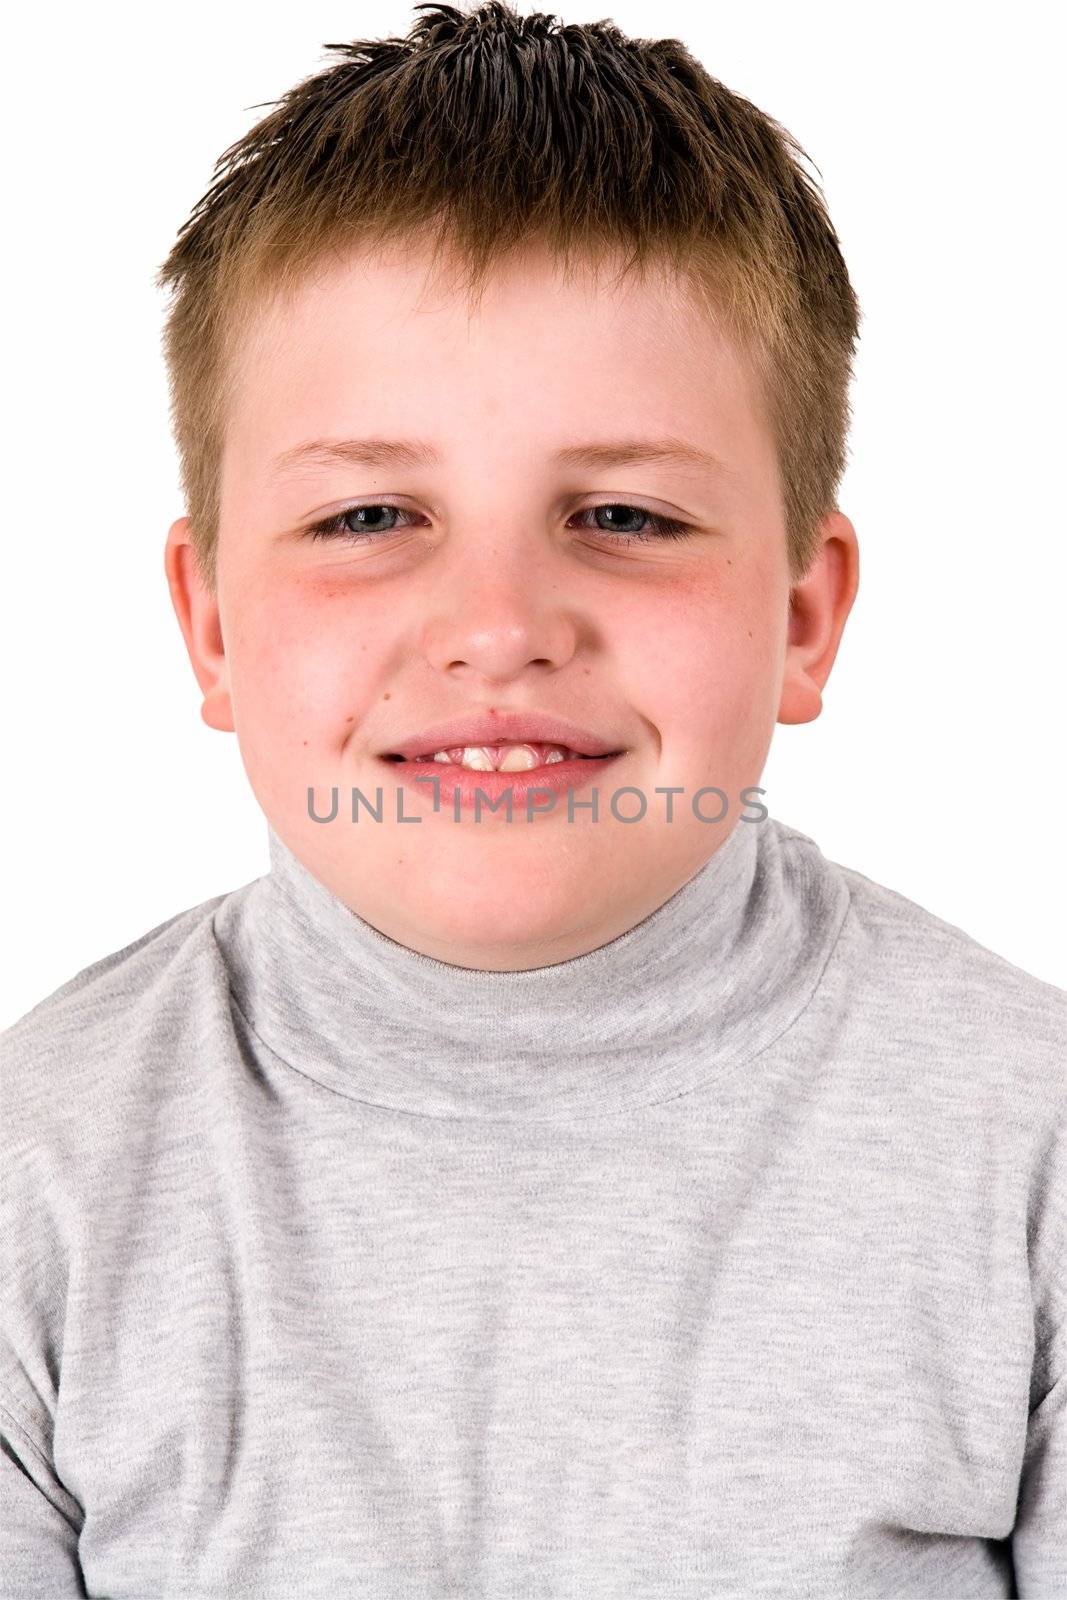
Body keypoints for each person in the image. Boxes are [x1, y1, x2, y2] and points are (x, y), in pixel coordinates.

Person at [2, 3, 1063, 1595]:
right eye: (370, 512)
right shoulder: (42, 1178)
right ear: (212, 625)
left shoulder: (1031, 1154)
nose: (499, 627)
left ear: (801, 615)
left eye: (623, 513)